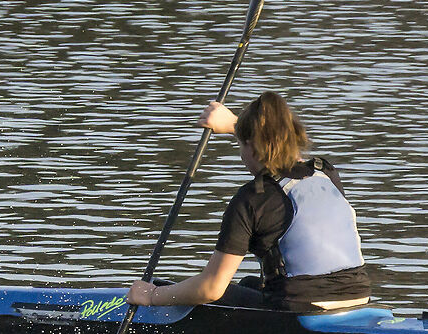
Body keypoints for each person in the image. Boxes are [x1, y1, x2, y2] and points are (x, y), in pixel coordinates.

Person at [125, 92, 373, 313]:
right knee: (249, 285)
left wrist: (153, 296)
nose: (241, 154)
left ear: (252, 146)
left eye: (241, 144)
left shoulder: (252, 198)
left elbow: (211, 288)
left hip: (303, 309)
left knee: (204, 293)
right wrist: (236, 125)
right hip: (359, 297)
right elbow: (284, 154)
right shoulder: (326, 172)